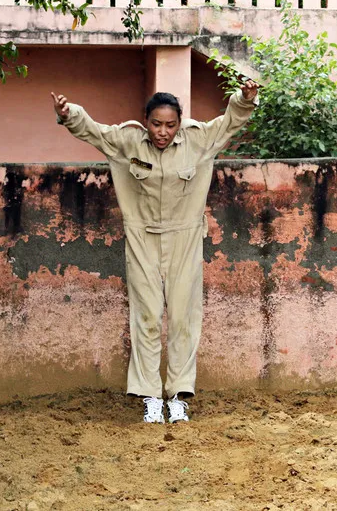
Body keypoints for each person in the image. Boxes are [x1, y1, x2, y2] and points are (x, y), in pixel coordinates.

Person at [51, 82, 260, 422]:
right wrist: (68, 114)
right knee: (146, 317)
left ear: (179, 123)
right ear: (145, 121)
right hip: (142, 238)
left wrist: (244, 99)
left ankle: (178, 396)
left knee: (182, 317)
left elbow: (230, 122)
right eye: (156, 124)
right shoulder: (129, 141)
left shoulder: (198, 140)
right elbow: (93, 131)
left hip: (185, 239)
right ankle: (150, 396)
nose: (163, 132)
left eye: (170, 124)